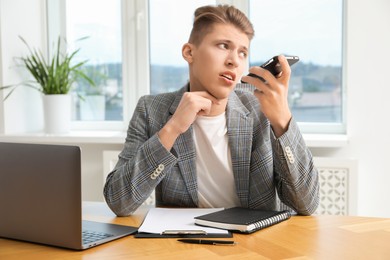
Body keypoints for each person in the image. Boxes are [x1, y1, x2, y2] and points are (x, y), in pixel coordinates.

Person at [104, 4, 319, 217]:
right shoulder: (151, 110)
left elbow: (307, 204)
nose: (234, 60)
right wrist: (172, 129)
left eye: (242, 52)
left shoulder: (260, 108)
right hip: (183, 244)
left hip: (255, 245)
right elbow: (119, 203)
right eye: (224, 46)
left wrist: (282, 121)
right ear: (189, 52)